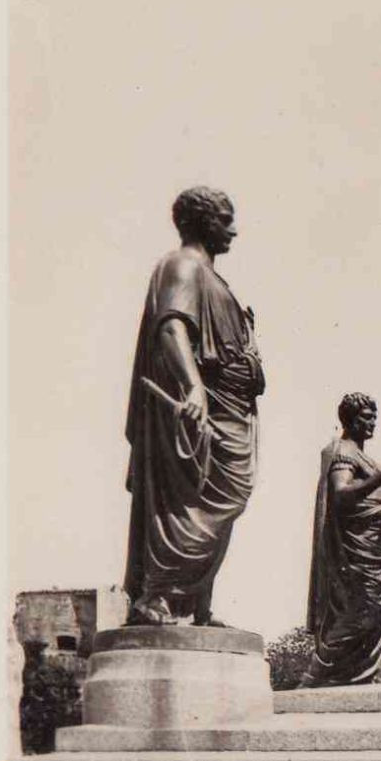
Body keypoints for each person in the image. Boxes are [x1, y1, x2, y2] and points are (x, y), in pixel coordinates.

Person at [123, 186, 264, 626]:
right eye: (226, 219)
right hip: (203, 413)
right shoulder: (182, 265)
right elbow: (171, 328)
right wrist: (193, 388)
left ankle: (196, 603)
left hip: (232, 414)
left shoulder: (212, 277)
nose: (234, 230)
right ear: (202, 221)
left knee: (225, 503)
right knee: (193, 504)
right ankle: (158, 594)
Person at [301, 393, 381, 687]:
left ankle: (358, 675)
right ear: (349, 419)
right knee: (360, 612)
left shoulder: (365, 457)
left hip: (376, 546)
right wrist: (380, 478)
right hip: (355, 552)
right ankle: (317, 676)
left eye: (374, 417)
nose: (372, 423)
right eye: (366, 417)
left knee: (370, 613)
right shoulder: (344, 451)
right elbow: (341, 493)